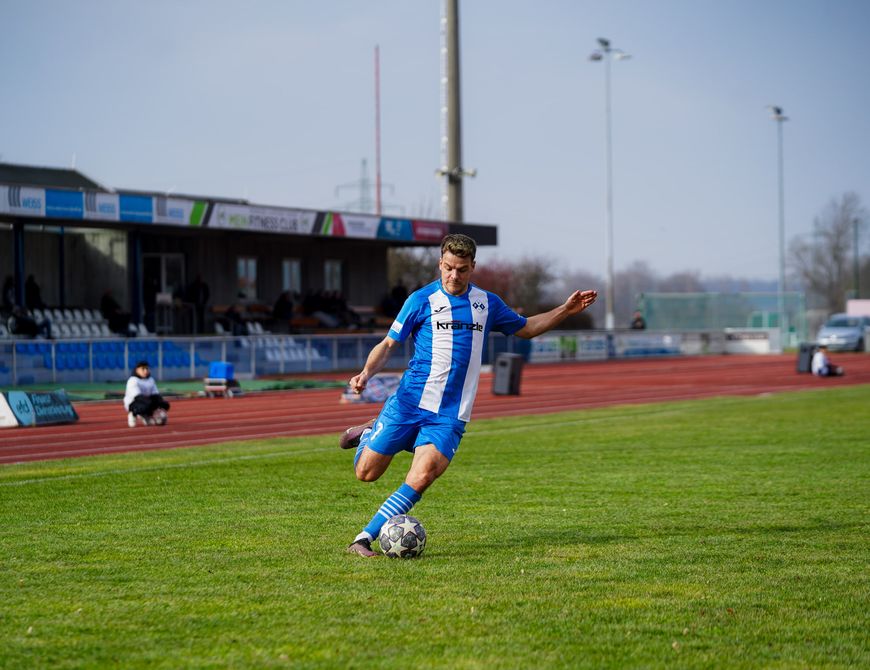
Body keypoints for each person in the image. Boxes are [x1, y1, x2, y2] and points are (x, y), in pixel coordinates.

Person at [339, 234, 598, 557]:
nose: (454, 276)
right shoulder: (420, 300)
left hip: (450, 414)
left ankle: (363, 539)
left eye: (461, 269)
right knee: (366, 473)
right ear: (440, 263)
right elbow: (389, 344)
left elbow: (526, 328)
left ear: (472, 266)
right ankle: (367, 433)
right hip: (408, 404)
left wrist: (564, 310)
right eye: (448, 268)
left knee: (422, 477)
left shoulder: (486, 304)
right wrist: (366, 373)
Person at [124, 360, 170, 427]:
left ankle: (147, 415)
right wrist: (151, 405)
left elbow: (155, 394)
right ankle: (133, 414)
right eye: (143, 369)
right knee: (146, 405)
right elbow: (137, 397)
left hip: (147, 401)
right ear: (137, 370)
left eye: (147, 368)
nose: (145, 371)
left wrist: (162, 403)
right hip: (133, 403)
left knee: (161, 403)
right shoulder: (133, 380)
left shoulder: (151, 380)